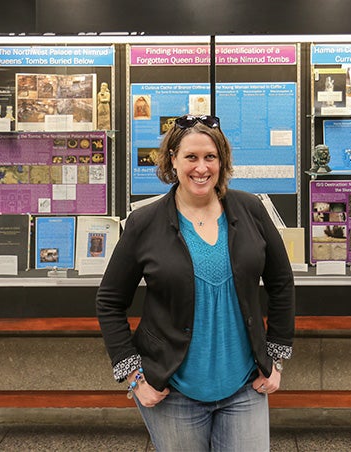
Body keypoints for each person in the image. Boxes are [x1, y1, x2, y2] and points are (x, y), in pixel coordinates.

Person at [96, 114, 295, 452]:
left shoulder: (251, 210)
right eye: (191, 157)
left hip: (245, 387)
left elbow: (282, 283)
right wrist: (133, 377)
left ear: (222, 161)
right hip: (173, 393)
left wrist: (275, 360)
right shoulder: (145, 223)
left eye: (210, 157)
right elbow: (109, 301)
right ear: (172, 160)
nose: (201, 168)